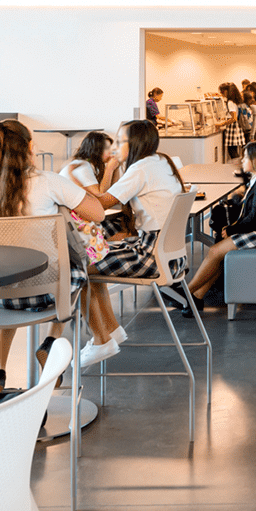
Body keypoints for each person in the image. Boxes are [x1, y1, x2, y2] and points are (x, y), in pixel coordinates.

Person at [0, 119, 107, 407]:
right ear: (28, 148)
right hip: (46, 292)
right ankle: (50, 342)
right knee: (76, 270)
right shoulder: (48, 182)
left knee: (8, 275)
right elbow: (97, 213)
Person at [81, 121, 187, 366]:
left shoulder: (140, 169)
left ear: (135, 143)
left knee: (79, 265)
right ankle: (111, 329)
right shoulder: (161, 161)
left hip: (150, 257)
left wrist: (109, 168)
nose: (115, 147)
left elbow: (101, 203)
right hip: (169, 255)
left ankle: (102, 339)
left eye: (120, 141)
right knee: (94, 256)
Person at [188, 141, 256, 302]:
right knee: (219, 253)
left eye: (245, 157)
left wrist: (232, 229)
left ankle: (186, 292)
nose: (242, 160)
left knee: (214, 251)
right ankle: (196, 296)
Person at [219, 82, 246, 159]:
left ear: (227, 91)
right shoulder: (237, 101)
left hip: (233, 128)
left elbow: (233, 118)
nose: (221, 93)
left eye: (222, 91)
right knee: (235, 150)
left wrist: (222, 123)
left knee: (232, 151)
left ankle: (237, 167)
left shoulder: (230, 102)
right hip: (238, 127)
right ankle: (238, 167)